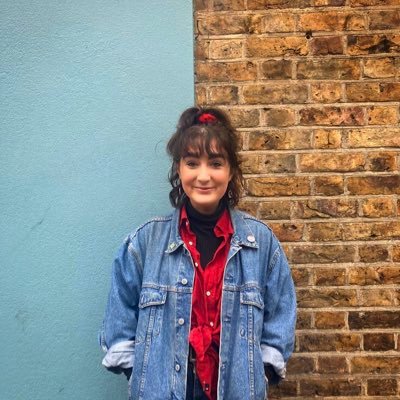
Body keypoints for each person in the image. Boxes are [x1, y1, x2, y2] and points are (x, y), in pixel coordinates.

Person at [99, 106, 296, 400]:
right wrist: (144, 375)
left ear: (231, 171)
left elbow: (281, 316)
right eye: (192, 163)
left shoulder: (261, 243)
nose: (204, 176)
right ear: (179, 169)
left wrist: (259, 373)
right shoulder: (143, 244)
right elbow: (119, 325)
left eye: (215, 163)